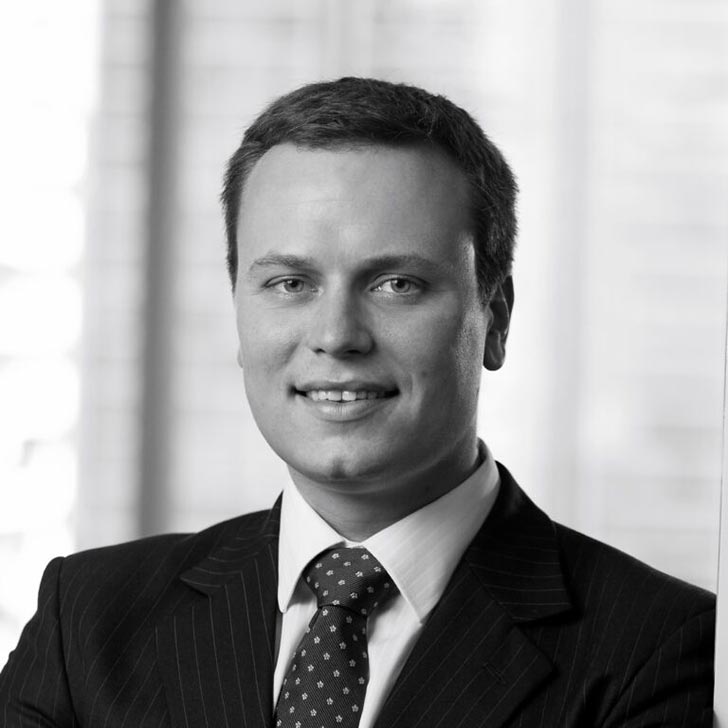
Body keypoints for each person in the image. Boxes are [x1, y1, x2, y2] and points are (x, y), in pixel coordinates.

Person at [0, 77, 714, 727]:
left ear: (495, 318)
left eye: (397, 284)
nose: (336, 336)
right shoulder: (87, 618)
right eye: (290, 284)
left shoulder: (658, 648)